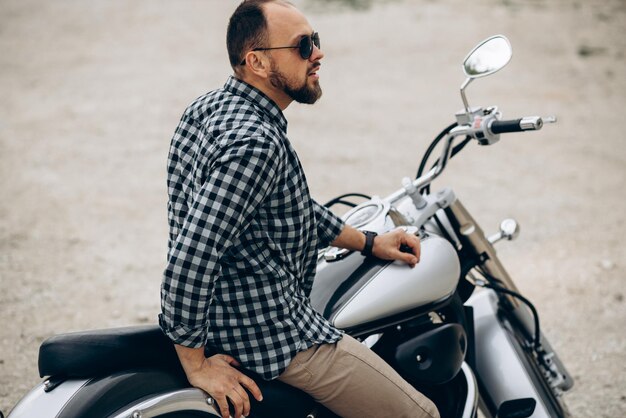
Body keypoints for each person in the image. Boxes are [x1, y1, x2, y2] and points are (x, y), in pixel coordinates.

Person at [159, 1, 440, 417]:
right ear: (255, 62)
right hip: (271, 335)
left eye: (316, 41)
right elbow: (192, 256)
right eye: (303, 46)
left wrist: (368, 241)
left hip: (232, 319)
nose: (318, 54)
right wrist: (196, 365)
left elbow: (284, 207)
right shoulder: (257, 143)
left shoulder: (207, 108)